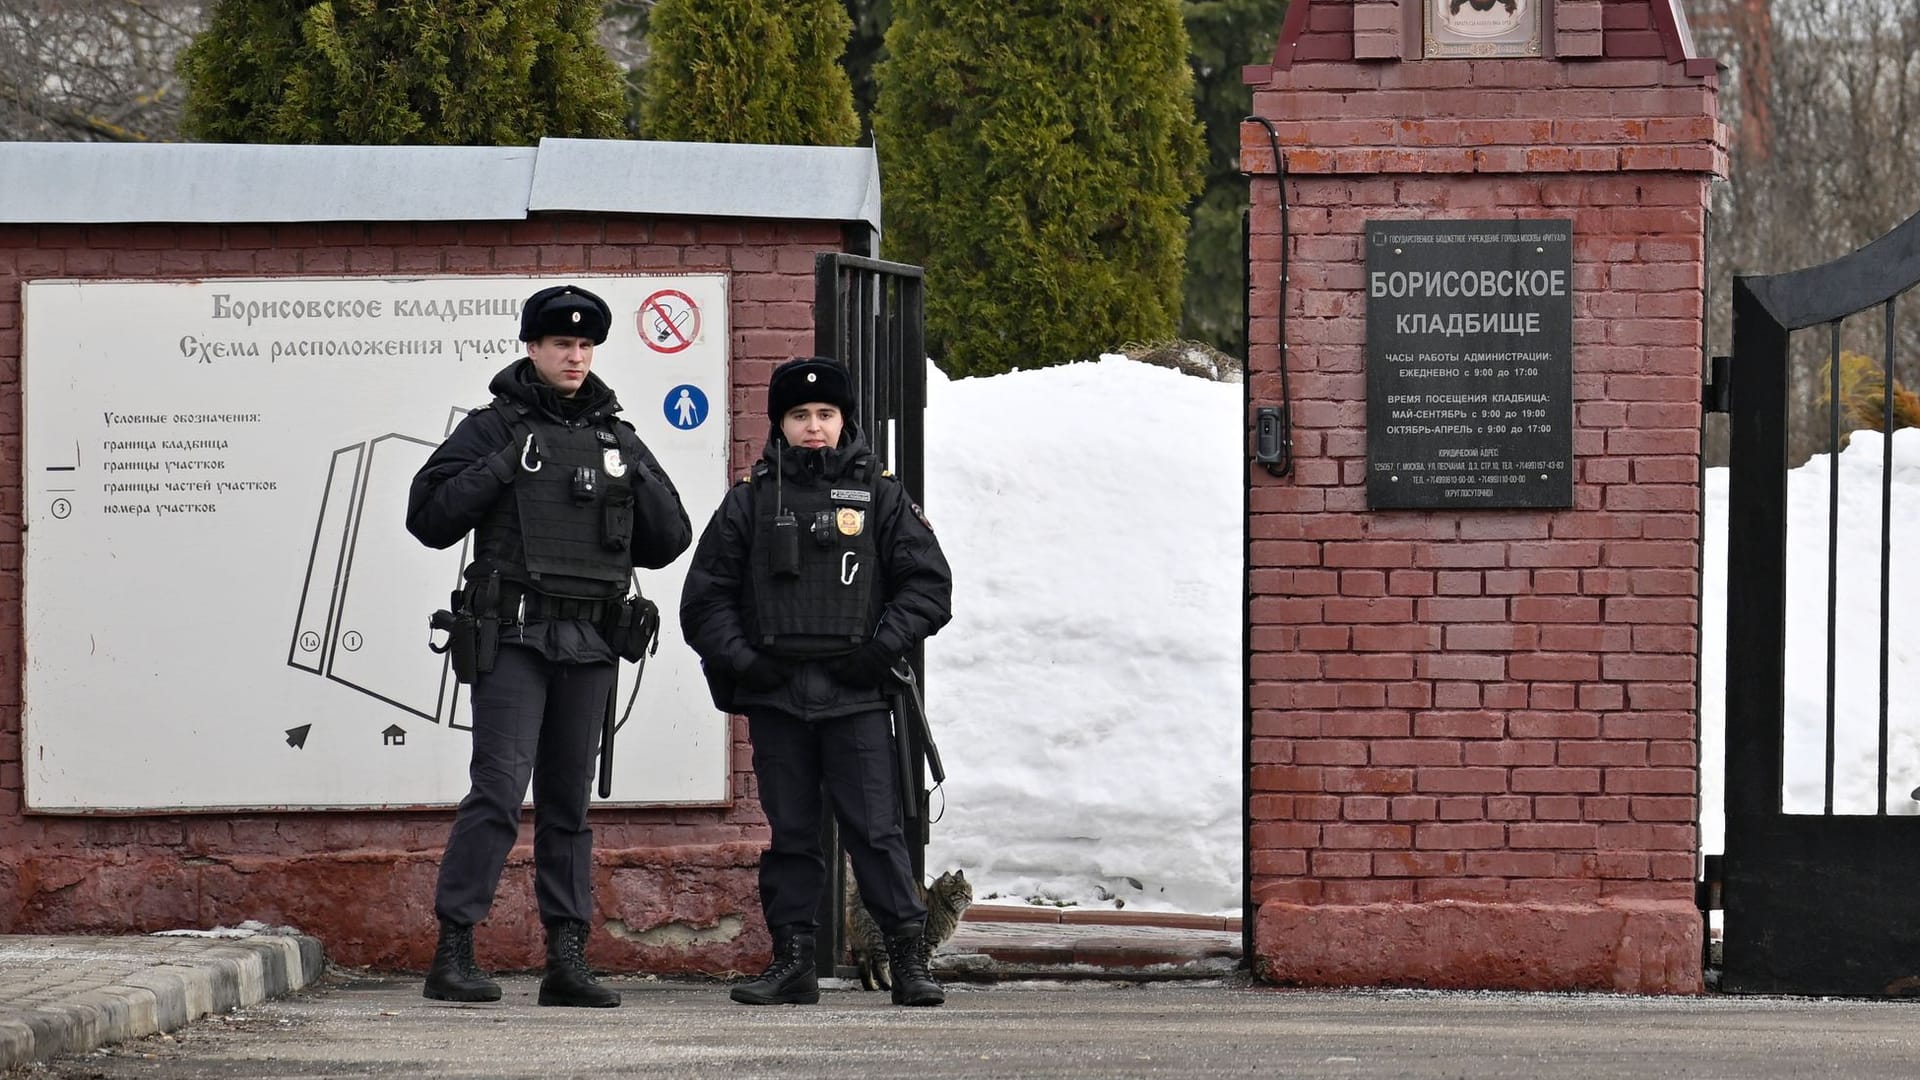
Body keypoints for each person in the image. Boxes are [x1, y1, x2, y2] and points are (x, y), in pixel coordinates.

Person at [406, 284, 692, 1008]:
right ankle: (455, 952)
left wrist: (631, 471)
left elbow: (670, 540)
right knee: (499, 793)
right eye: (561, 343)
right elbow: (430, 516)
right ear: (531, 348)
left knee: (567, 806)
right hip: (515, 635)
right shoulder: (493, 426)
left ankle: (566, 960)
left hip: (591, 639)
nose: (574, 355)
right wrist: (506, 463)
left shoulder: (616, 436)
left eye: (586, 344)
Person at [680, 356, 954, 1008]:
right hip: (778, 698)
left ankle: (908, 962)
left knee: (877, 833)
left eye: (824, 414)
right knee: (793, 837)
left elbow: (930, 587)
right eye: (799, 415)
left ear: (843, 420)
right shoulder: (748, 500)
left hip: (856, 697)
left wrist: (879, 648)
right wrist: (746, 661)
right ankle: (794, 962)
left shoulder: (881, 495)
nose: (813, 426)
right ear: (780, 422)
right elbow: (704, 601)